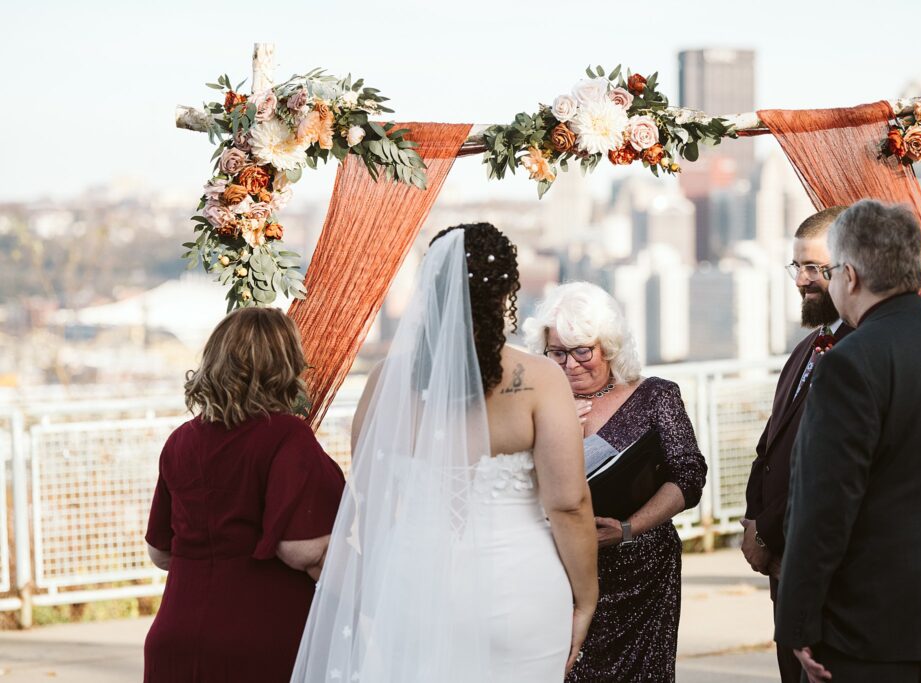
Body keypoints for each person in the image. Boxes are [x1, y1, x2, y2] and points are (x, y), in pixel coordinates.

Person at [290, 224, 598, 682]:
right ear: (505, 294)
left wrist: (383, 591)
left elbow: (370, 506)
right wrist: (586, 597)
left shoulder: (384, 384)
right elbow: (568, 504)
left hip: (414, 586)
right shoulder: (540, 379)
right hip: (518, 590)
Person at [776, 200, 921, 683]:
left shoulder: (848, 362)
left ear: (851, 276)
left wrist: (798, 622)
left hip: (871, 628)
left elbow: (824, 504)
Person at [144, 307, 346, 682]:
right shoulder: (287, 437)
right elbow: (300, 547)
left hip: (174, 636)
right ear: (286, 365)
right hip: (259, 639)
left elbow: (161, 552)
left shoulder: (181, 441)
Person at [524, 281, 708, 682]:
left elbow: (690, 476)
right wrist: (555, 435)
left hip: (643, 572)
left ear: (608, 345)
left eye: (581, 351)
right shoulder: (531, 409)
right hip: (561, 574)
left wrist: (628, 529)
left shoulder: (656, 396)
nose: (570, 365)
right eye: (556, 353)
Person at [740, 205, 851, 682]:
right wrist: (751, 515)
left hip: (822, 561)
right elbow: (772, 441)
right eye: (797, 266)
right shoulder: (807, 347)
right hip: (784, 566)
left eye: (814, 268)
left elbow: (827, 464)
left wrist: (766, 528)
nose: (802, 279)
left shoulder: (860, 352)